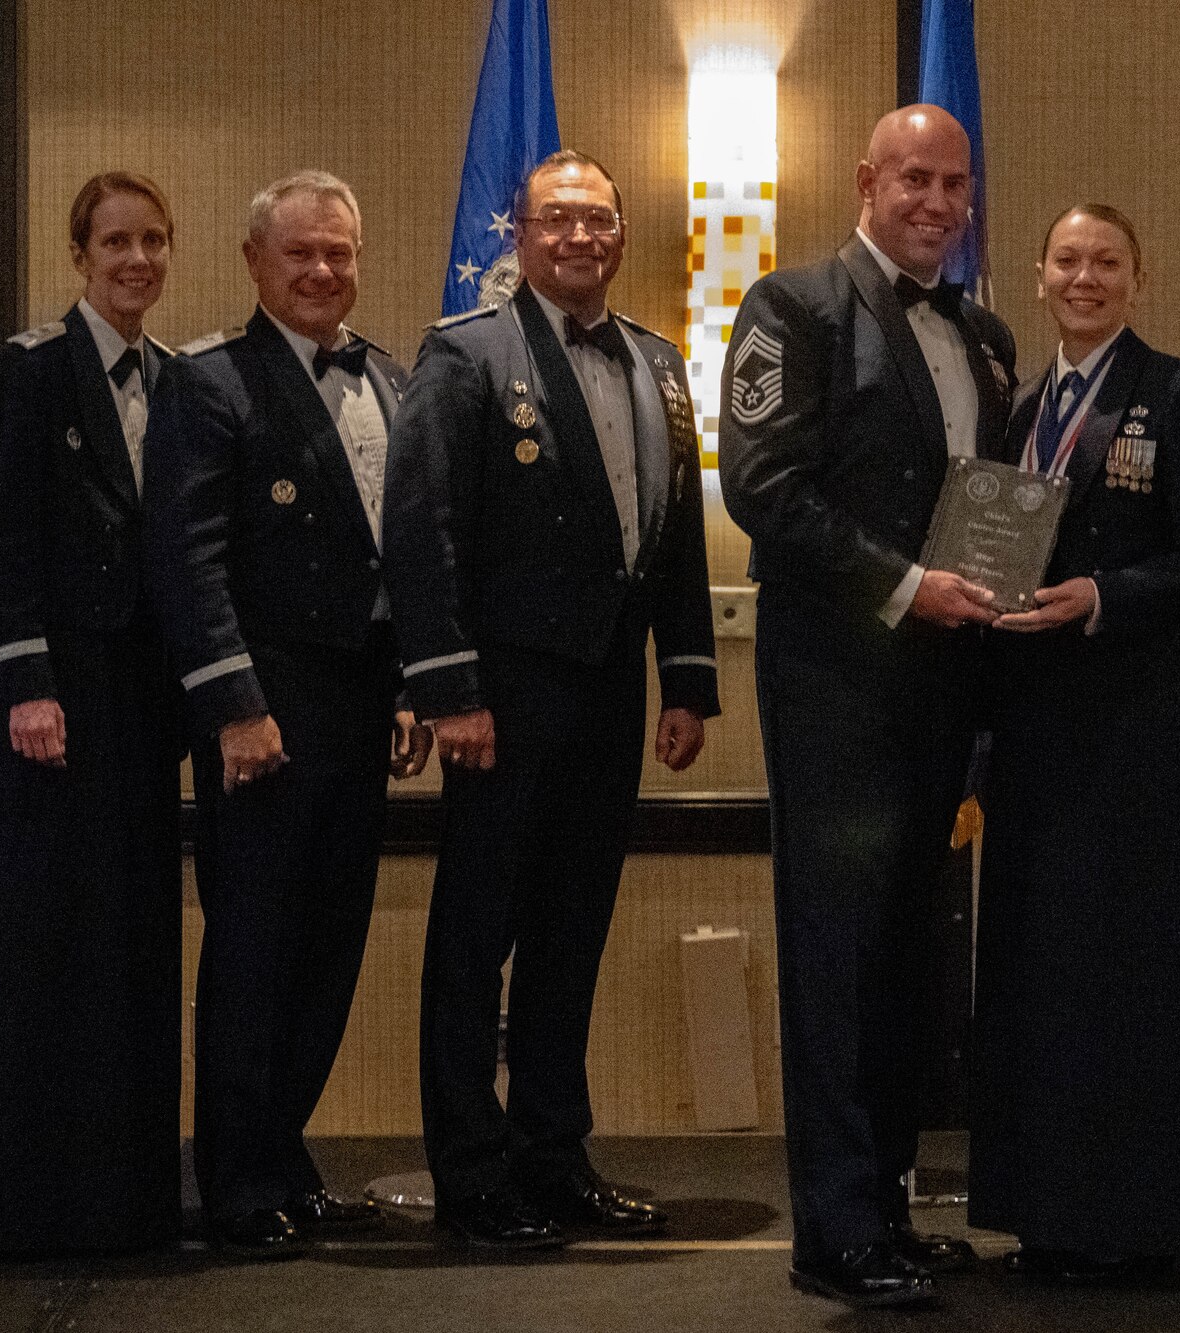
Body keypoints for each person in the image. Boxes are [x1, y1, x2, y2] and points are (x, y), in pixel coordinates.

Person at [382, 150, 719, 1250]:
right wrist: (448, 692)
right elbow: (423, 530)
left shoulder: (662, 365)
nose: (579, 237)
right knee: (477, 938)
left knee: (572, 934)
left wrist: (687, 678)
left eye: (597, 220)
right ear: (518, 235)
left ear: (621, 235)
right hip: (502, 695)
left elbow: (671, 542)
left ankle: (551, 1154)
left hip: (610, 691)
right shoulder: (466, 353)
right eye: (555, 219)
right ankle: (473, 1177)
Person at [719, 105, 1016, 1309]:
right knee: (838, 957)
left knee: (907, 957)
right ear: (865, 182)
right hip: (838, 684)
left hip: (949, 687)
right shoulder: (791, 308)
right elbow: (760, 488)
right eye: (912, 179)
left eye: (953, 183)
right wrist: (904, 585)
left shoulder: (986, 332)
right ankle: (835, 1229)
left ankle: (888, 1198)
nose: (935, 202)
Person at [968, 204, 1180, 1282]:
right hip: (1037, 731)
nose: (1084, 278)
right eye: (1067, 260)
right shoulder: (1021, 406)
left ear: (1138, 278)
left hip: (1140, 730)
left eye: (1106, 262)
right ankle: (1047, 1213)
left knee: (1142, 972)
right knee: (1041, 971)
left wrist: (1100, 593)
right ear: (1037, 278)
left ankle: (1149, 1220)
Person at [146, 169, 431, 1260]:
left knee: (330, 945)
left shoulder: (393, 383)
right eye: (301, 253)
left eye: (339, 253)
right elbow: (188, 560)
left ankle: (284, 1156)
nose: (322, 272)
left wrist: (412, 682)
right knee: (256, 948)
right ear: (255, 261)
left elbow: (404, 557)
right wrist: (232, 707)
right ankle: (235, 1179)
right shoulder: (210, 382)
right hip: (265, 711)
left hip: (361, 707)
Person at [0, 172, 185, 1251]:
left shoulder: (177, 380)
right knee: (41, 939)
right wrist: (24, 683)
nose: (136, 260)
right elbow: (7, 536)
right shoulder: (32, 370)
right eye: (115, 241)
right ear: (79, 256)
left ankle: (118, 1192)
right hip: (54, 699)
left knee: (125, 937)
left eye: (153, 240)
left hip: (138, 703)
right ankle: (21, 1196)